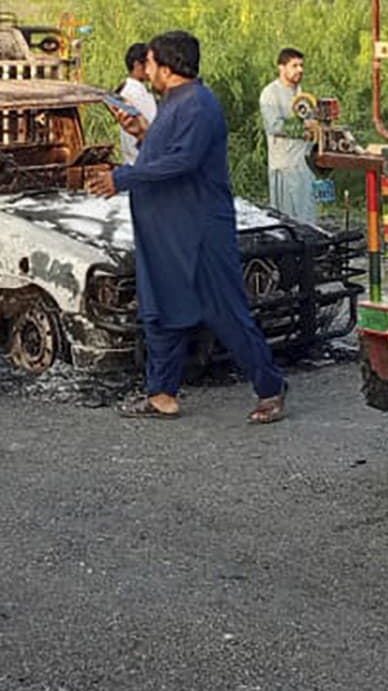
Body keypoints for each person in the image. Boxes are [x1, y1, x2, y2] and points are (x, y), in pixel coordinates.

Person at [86, 31, 288, 424]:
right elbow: (164, 153)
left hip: (198, 230)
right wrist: (142, 133)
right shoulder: (173, 104)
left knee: (224, 310)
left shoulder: (199, 104)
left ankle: (270, 387)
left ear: (167, 66)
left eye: (149, 63)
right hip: (166, 230)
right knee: (160, 309)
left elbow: (183, 161)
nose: (146, 71)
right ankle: (161, 394)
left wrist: (122, 178)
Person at [259, 48, 317, 223]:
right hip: (284, 164)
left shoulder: (302, 93)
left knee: (307, 213)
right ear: (281, 68)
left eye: (301, 65)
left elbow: (311, 120)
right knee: (286, 218)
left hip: (305, 163)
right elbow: (274, 126)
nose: (300, 70)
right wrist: (304, 129)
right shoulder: (270, 93)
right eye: (294, 65)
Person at [114, 42, 157, 165]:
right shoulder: (135, 94)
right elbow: (152, 125)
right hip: (141, 159)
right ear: (137, 65)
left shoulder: (130, 90)